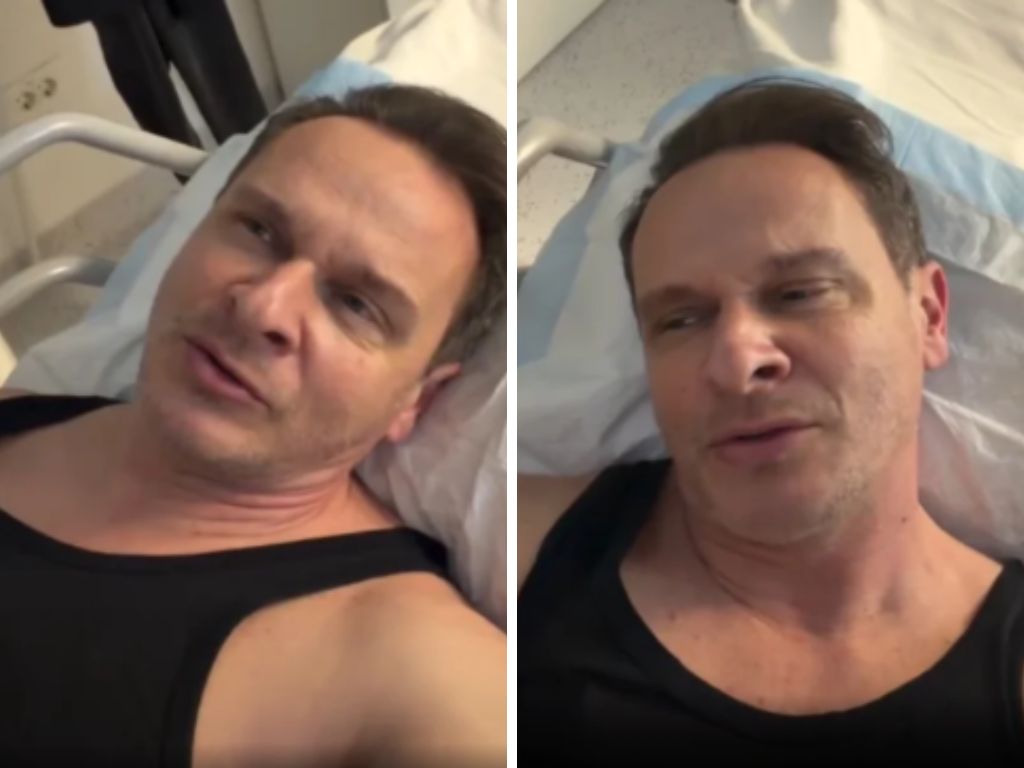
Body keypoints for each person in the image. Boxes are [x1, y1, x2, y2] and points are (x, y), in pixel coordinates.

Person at [518, 80, 1024, 765]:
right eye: (681, 320)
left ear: (929, 317)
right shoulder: (530, 545)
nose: (736, 361)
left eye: (800, 293)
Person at [0, 84, 505, 767]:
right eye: (260, 231)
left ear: (414, 400)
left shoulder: (404, 669)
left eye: (357, 304)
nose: (264, 307)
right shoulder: (20, 411)